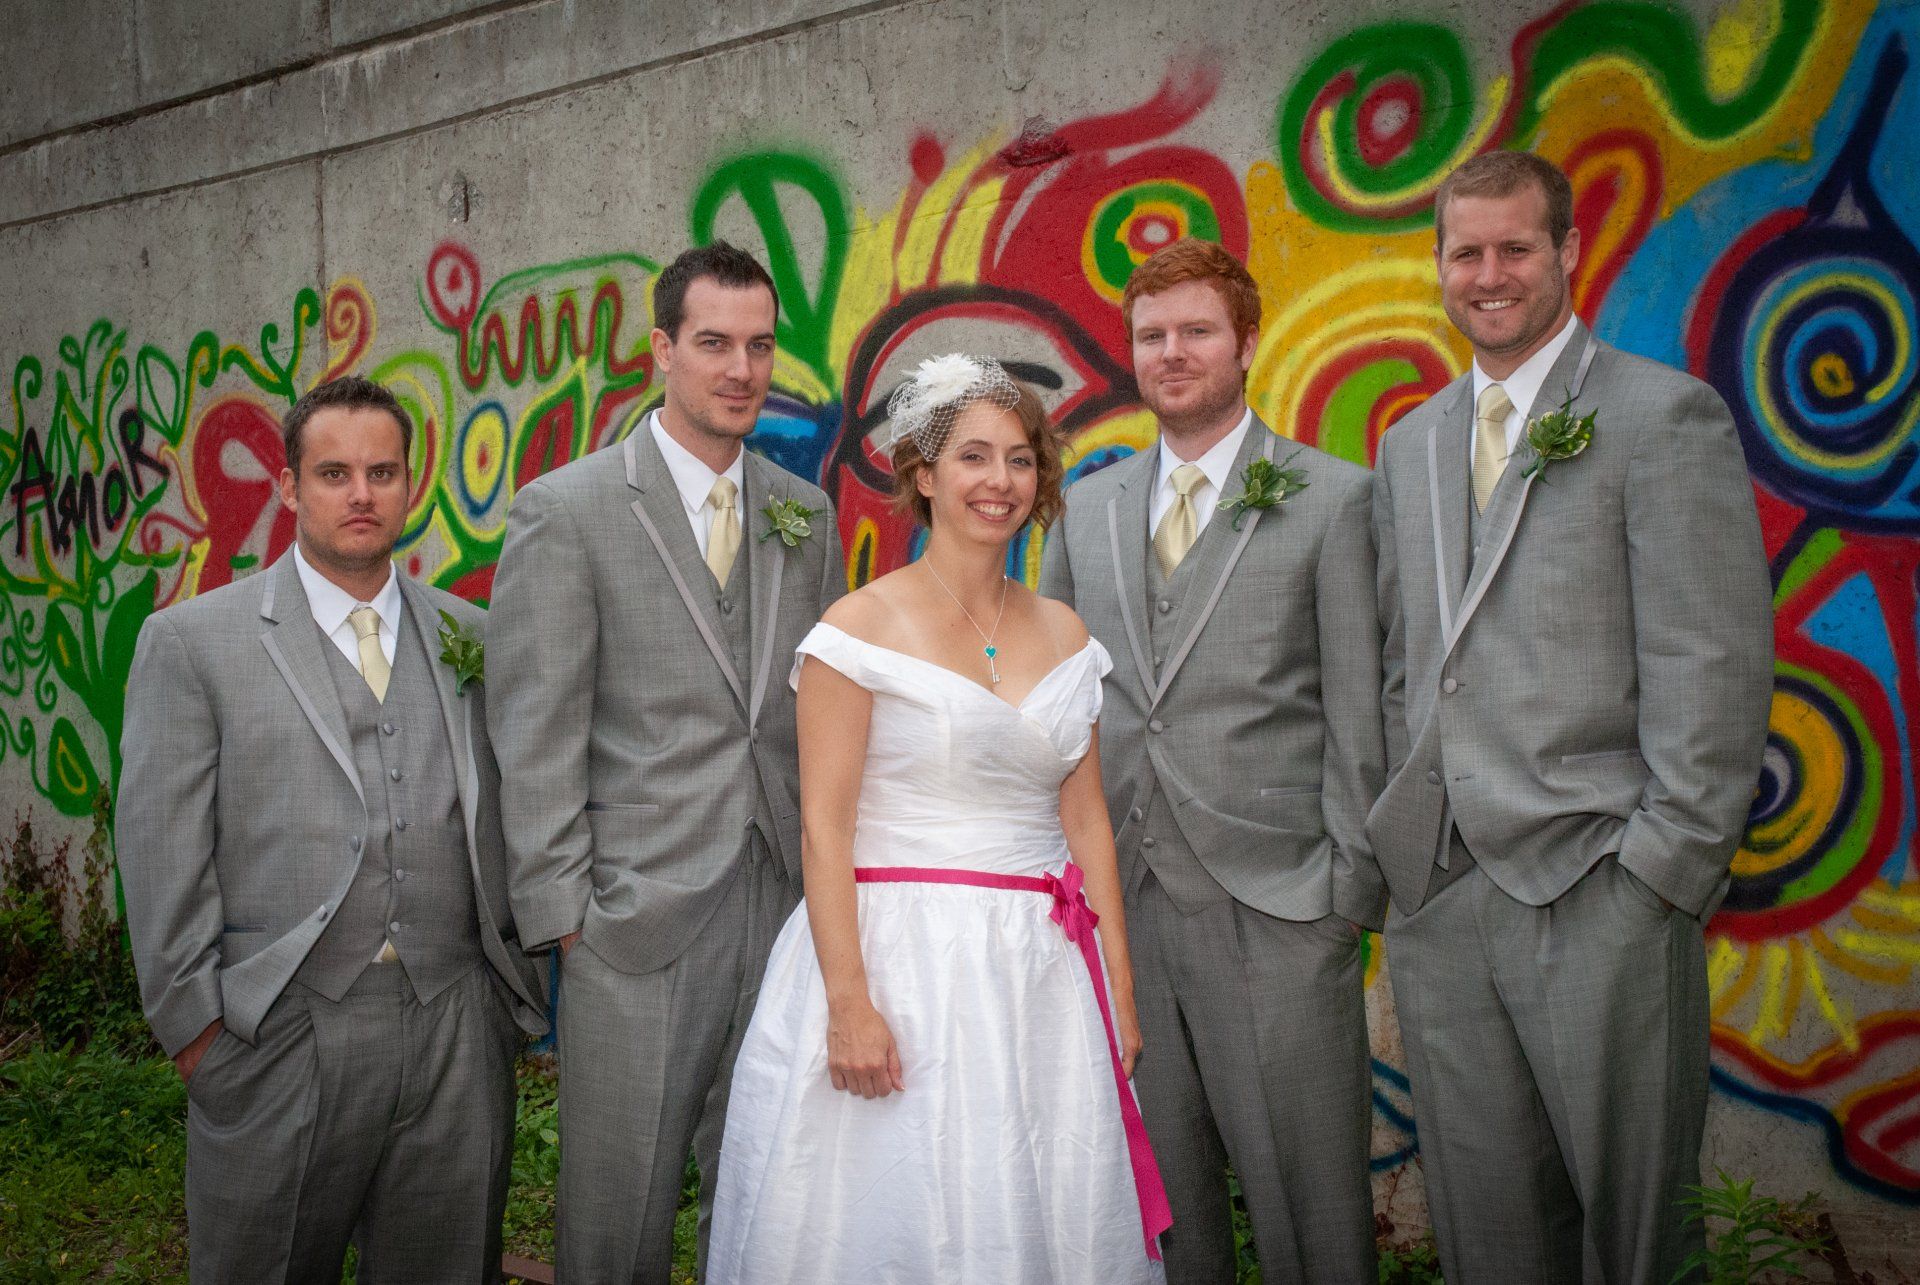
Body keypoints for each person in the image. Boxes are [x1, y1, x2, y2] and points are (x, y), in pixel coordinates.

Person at [1368, 150, 1774, 1282]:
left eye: (1516, 247)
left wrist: (1661, 873)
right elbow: (1410, 660)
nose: (1489, 274)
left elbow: (1713, 660)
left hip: (1603, 889)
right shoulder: (1411, 442)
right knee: (1487, 1235)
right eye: (1466, 252)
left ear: (1568, 252)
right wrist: (1407, 850)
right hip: (1444, 895)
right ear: (1439, 265)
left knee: (1636, 1238)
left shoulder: (1661, 416)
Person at [708, 354, 1172, 1282]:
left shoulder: (1067, 632)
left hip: (1040, 975)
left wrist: (1118, 987)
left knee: (1034, 1203)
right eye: (973, 456)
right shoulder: (857, 628)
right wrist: (849, 1004)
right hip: (901, 965)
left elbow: (1086, 823)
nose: (1000, 480)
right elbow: (825, 828)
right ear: (924, 475)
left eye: (1019, 459)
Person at [117, 375, 549, 1282]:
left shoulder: (473, 634)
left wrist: (500, 1003)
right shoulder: (194, 642)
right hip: (279, 1030)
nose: (361, 493)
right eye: (334, 473)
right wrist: (200, 1036)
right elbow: (160, 850)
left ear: (409, 484)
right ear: (288, 486)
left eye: (381, 472)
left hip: (453, 1025)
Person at [486, 240, 844, 1281]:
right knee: (618, 1213)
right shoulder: (569, 509)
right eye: (715, 343)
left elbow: (819, 707)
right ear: (662, 349)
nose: (741, 368)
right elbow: (534, 728)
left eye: (760, 346)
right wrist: (566, 916)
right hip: (630, 920)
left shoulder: (805, 511)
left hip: (780, 905)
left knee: (769, 1197)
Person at [1038, 237, 1384, 1281]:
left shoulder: (1334, 499)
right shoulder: (1087, 510)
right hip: (1126, 909)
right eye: (1152, 335)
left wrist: (1342, 899)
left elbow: (1361, 708)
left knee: (1311, 1215)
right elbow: (1057, 708)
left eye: (1196, 330)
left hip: (1278, 908)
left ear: (1246, 341)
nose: (1172, 352)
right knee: (1164, 1208)